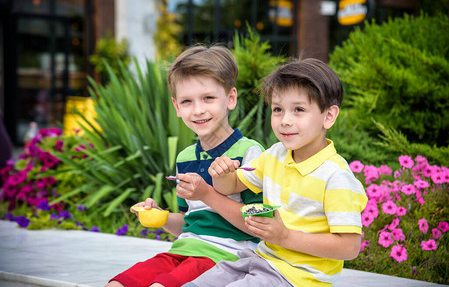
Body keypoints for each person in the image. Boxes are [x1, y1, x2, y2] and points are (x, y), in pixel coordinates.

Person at [183, 58, 368, 287]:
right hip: (259, 261)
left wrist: (284, 237)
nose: (285, 121)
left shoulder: (335, 177)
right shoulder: (274, 155)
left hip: (298, 278)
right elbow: (229, 187)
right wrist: (222, 175)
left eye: (299, 110)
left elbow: (349, 248)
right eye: (278, 110)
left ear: (328, 116)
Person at [106, 45, 264, 287]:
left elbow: (257, 227)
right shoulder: (185, 158)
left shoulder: (250, 153)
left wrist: (207, 194)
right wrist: (160, 217)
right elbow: (189, 222)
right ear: (177, 107)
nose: (198, 110)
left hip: (226, 258)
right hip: (181, 252)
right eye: (187, 102)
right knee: (117, 284)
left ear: (230, 98)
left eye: (208, 98)